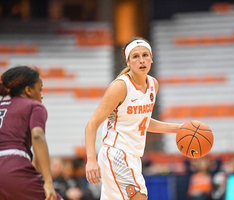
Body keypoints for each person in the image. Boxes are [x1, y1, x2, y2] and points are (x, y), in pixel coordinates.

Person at [85, 37, 182, 200]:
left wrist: (177, 128)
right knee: (139, 197)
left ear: (152, 58)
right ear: (128, 62)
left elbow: (141, 122)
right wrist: (90, 160)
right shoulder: (120, 86)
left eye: (145, 55)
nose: (141, 60)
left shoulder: (153, 85)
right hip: (116, 153)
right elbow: (92, 124)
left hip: (133, 156)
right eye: (136, 56)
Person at [0, 66, 62, 200]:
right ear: (28, 90)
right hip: (12, 167)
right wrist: (49, 182)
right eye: (39, 89)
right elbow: (37, 135)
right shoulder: (33, 105)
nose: (42, 95)